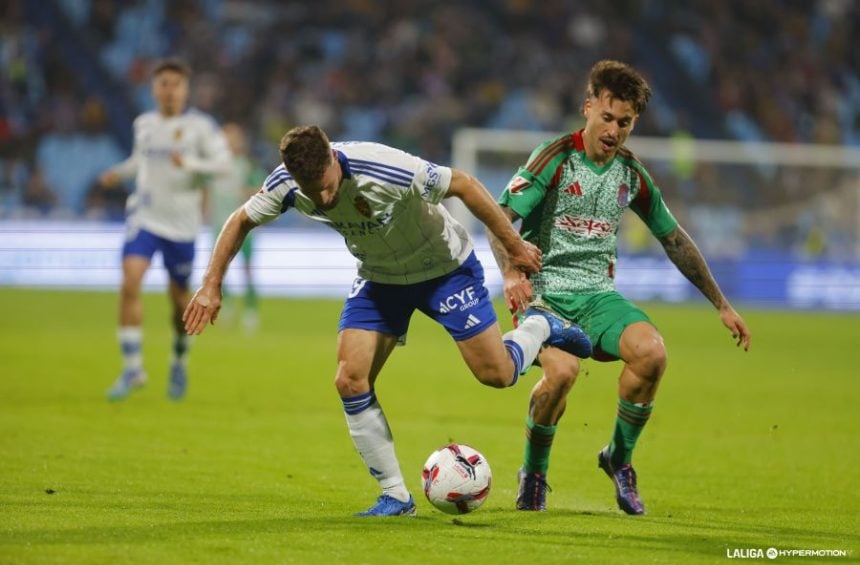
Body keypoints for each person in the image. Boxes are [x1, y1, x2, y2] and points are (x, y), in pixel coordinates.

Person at [183, 125, 592, 517]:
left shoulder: (384, 168)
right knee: (349, 378)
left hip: (443, 268)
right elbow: (240, 219)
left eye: (328, 184)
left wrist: (514, 244)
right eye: (313, 191)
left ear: (333, 157)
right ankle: (395, 495)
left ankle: (540, 326)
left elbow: (464, 184)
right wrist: (210, 284)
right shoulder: (286, 184)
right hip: (380, 277)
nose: (324, 197)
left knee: (497, 375)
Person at [488, 60, 751, 515]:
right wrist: (512, 273)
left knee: (653, 353)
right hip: (546, 294)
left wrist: (721, 304)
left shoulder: (631, 174)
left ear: (634, 123)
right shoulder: (554, 158)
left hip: (598, 297)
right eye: (606, 117)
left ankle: (618, 459)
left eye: (624, 122)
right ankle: (533, 473)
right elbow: (498, 222)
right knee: (563, 375)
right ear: (588, 108)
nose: (613, 130)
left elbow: (673, 238)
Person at [100, 58, 231, 401]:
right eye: (163, 84)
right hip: (144, 217)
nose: (169, 90)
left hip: (182, 226)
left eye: (176, 84)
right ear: (154, 89)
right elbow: (140, 161)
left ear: (185, 89)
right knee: (130, 281)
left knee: (179, 304)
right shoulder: (144, 124)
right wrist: (119, 172)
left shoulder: (201, 127)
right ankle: (132, 369)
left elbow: (223, 164)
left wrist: (189, 163)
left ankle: (178, 359)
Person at [206, 122, 262, 333]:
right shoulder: (214, 167)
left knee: (247, 271)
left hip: (243, 228)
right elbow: (207, 191)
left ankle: (250, 311)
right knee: (219, 271)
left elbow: (261, 190)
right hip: (218, 227)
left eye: (233, 137)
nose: (229, 141)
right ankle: (226, 306)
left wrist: (244, 190)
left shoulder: (246, 166)